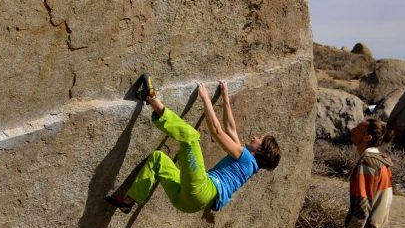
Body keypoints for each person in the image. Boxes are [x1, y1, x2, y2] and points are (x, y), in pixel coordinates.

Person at [104, 75, 280, 214]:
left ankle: (151, 98)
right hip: (188, 204)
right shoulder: (249, 165)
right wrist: (225, 98)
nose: (256, 136)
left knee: (191, 137)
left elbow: (218, 131)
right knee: (158, 160)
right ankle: (128, 202)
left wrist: (206, 99)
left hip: (203, 189)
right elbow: (231, 128)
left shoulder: (246, 159)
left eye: (260, 139)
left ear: (259, 150)